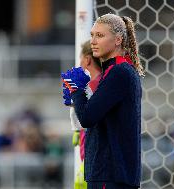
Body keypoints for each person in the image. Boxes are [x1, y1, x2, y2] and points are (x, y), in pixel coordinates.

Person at [62, 13, 143, 189]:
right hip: (111, 173)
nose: (93, 41)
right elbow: (98, 115)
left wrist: (77, 90)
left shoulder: (118, 72)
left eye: (100, 35)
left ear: (118, 40)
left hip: (110, 174)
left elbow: (87, 118)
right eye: (92, 35)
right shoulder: (117, 70)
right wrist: (79, 94)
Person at [63, 40, 102, 189]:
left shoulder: (91, 86)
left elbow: (86, 116)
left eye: (80, 58)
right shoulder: (104, 82)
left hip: (93, 150)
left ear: (87, 59)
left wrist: (77, 128)